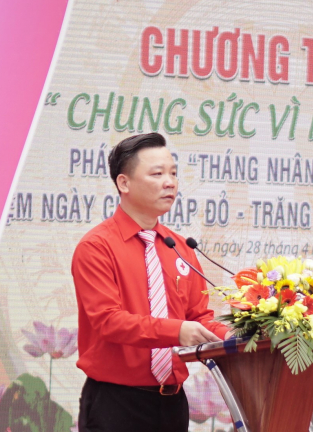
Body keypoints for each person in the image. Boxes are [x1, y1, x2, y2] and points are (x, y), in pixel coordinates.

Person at [72, 133, 229, 431]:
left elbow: (198, 317)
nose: (170, 182)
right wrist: (177, 331)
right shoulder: (96, 247)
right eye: (157, 174)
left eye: (173, 173)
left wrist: (238, 337)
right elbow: (108, 321)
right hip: (116, 404)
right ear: (124, 183)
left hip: (172, 404)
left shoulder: (180, 248)